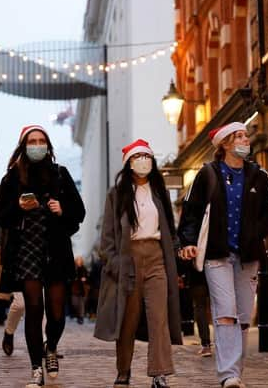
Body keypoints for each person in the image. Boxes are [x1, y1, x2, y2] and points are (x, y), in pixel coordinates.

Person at [178, 122, 268, 388]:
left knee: (243, 318)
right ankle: (229, 374)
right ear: (224, 144)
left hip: (248, 256)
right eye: (239, 136)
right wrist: (186, 242)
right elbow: (191, 212)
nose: (246, 140)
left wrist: (254, 234)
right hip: (216, 254)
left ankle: (236, 371)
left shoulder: (259, 175)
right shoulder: (207, 175)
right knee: (225, 314)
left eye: (246, 135)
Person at [0, 124, 85, 388]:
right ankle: (36, 369)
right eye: (32, 141)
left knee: (57, 314)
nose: (37, 145)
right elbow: (2, 217)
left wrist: (62, 209)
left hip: (55, 250)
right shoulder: (12, 178)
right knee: (33, 311)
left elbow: (79, 213)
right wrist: (18, 207)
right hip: (26, 250)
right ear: (24, 146)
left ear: (48, 146)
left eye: (41, 141)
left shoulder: (61, 174)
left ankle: (51, 347)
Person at [94, 139, 182, 388]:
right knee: (127, 319)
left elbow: (170, 231)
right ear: (129, 162)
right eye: (138, 156)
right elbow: (108, 237)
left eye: (147, 156)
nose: (143, 160)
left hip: (156, 258)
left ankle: (160, 373)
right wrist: (114, 263)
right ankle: (123, 370)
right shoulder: (117, 194)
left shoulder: (160, 192)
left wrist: (174, 256)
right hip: (127, 259)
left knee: (159, 318)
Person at [71, 256, 89, 324]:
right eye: (77, 260)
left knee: (81, 304)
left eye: (79, 260)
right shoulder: (73, 268)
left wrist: (85, 279)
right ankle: (78, 315)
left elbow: (88, 277)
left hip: (82, 289)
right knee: (74, 303)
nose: (78, 262)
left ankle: (81, 317)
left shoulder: (84, 269)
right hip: (74, 288)